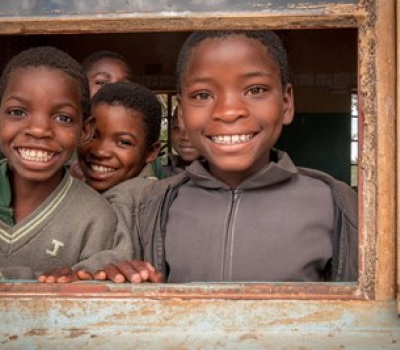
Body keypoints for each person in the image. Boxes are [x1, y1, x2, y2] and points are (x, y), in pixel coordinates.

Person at [53, 30, 358, 284]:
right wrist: (106, 277)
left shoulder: (335, 202)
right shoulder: (154, 202)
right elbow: (111, 270)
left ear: (287, 103)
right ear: (181, 114)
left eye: (255, 89)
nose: (228, 111)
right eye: (202, 95)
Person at [0, 46, 118, 280]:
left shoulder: (95, 217)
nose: (39, 130)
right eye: (17, 112)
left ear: (84, 130)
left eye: (62, 118)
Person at [38, 81, 163, 283]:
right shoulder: (81, 189)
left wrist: (76, 274)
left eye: (123, 142)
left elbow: (110, 259)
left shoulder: (127, 198)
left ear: (151, 152)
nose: (100, 151)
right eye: (94, 136)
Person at [162, 107, 201, 177]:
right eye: (177, 128)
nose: (185, 137)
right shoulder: (160, 174)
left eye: (193, 129)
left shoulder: (222, 178)